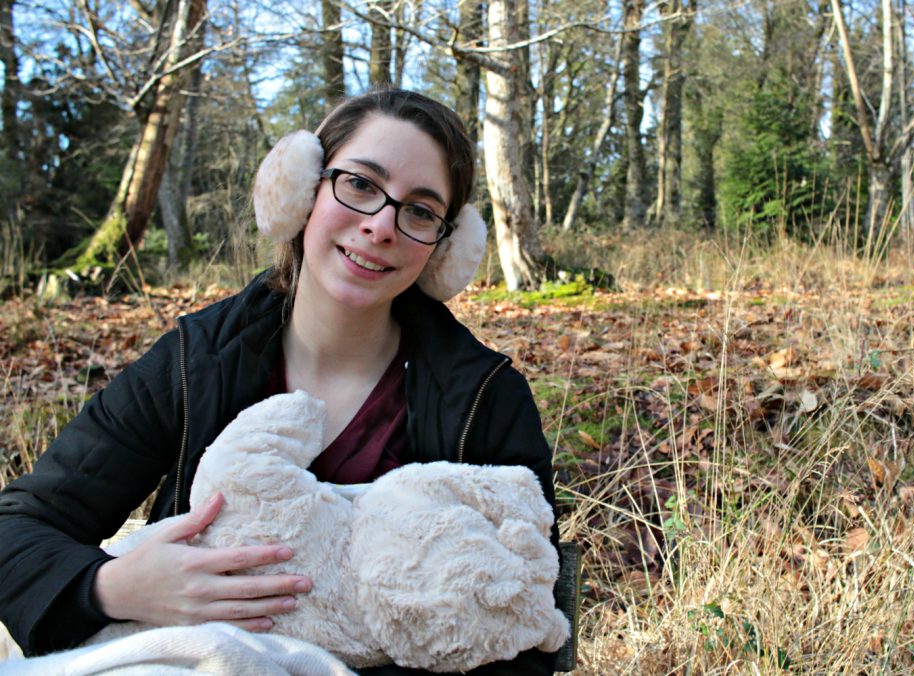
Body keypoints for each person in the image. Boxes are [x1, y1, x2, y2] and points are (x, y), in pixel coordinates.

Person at [0, 89, 559, 674]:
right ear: (301, 190)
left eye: (420, 210)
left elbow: (520, 622)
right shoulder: (198, 360)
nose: (381, 226)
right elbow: (20, 528)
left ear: (446, 248)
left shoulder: (484, 397)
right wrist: (111, 587)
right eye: (360, 184)